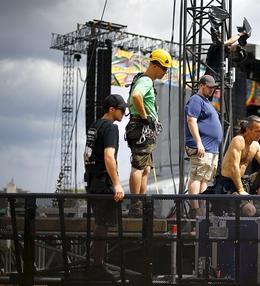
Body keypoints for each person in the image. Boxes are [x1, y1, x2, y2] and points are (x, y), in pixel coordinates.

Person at [83, 94, 126, 279]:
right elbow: (109, 156)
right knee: (103, 224)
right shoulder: (111, 128)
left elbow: (86, 154)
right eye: (121, 109)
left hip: (92, 182)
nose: (124, 113)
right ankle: (97, 267)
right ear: (111, 109)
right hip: (103, 183)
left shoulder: (94, 125)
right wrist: (117, 184)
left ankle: (95, 263)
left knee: (100, 224)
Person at [125, 48, 172, 216]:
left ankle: (139, 202)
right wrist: (145, 118)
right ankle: (135, 205)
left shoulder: (145, 81)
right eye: (164, 68)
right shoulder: (145, 81)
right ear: (155, 65)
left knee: (145, 169)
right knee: (138, 167)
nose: (165, 72)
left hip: (141, 129)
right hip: (140, 128)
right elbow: (136, 97)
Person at [185, 75, 223, 216]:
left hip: (211, 149)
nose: (212, 90)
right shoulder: (196, 99)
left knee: (204, 179)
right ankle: (195, 210)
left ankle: (202, 211)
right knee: (196, 176)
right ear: (201, 85)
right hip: (202, 147)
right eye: (210, 87)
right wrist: (199, 142)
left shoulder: (206, 102)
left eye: (213, 88)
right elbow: (191, 120)